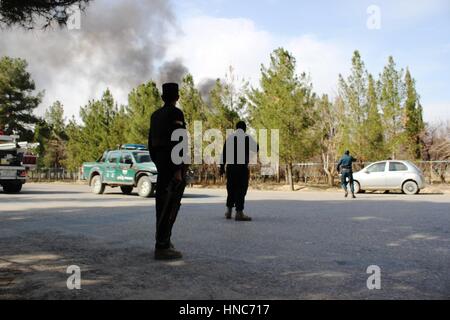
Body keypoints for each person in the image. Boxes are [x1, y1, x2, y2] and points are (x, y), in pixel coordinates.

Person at [148, 83, 188, 260]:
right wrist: (178, 169)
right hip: (173, 164)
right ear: (177, 97)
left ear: (163, 97)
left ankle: (164, 240)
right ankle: (162, 246)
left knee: (161, 204)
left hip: (162, 163)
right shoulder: (176, 113)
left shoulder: (155, 115)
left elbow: (150, 144)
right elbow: (179, 142)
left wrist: (159, 163)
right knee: (171, 205)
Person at [220, 121, 258, 221]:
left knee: (231, 188)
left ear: (236, 128)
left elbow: (223, 154)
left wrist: (221, 168)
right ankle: (239, 213)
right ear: (244, 128)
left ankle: (228, 212)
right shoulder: (246, 137)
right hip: (241, 168)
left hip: (231, 167)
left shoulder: (229, 138)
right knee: (241, 189)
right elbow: (256, 148)